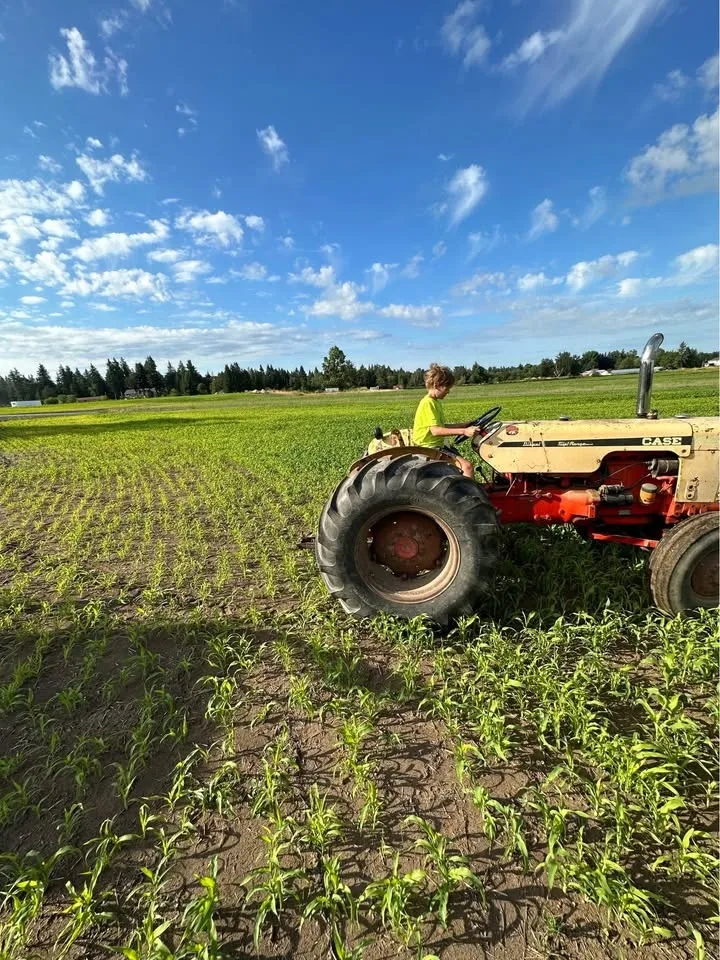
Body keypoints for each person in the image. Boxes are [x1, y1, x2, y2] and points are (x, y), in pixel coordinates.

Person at [413, 363, 477, 478]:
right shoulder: (428, 403)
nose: (448, 391)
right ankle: (470, 496)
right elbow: (436, 431)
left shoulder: (434, 402)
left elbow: (441, 426)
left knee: (462, 467)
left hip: (437, 445)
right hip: (430, 448)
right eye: (447, 388)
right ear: (437, 385)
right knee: (467, 467)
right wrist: (464, 431)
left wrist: (463, 425)